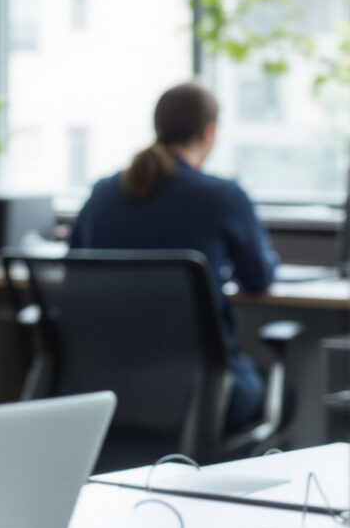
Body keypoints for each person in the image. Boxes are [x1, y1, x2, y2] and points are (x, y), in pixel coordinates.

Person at [69, 80, 279, 427]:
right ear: (208, 133)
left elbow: (74, 269)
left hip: (108, 388)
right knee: (280, 395)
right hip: (203, 392)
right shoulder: (223, 196)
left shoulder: (102, 193)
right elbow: (258, 279)